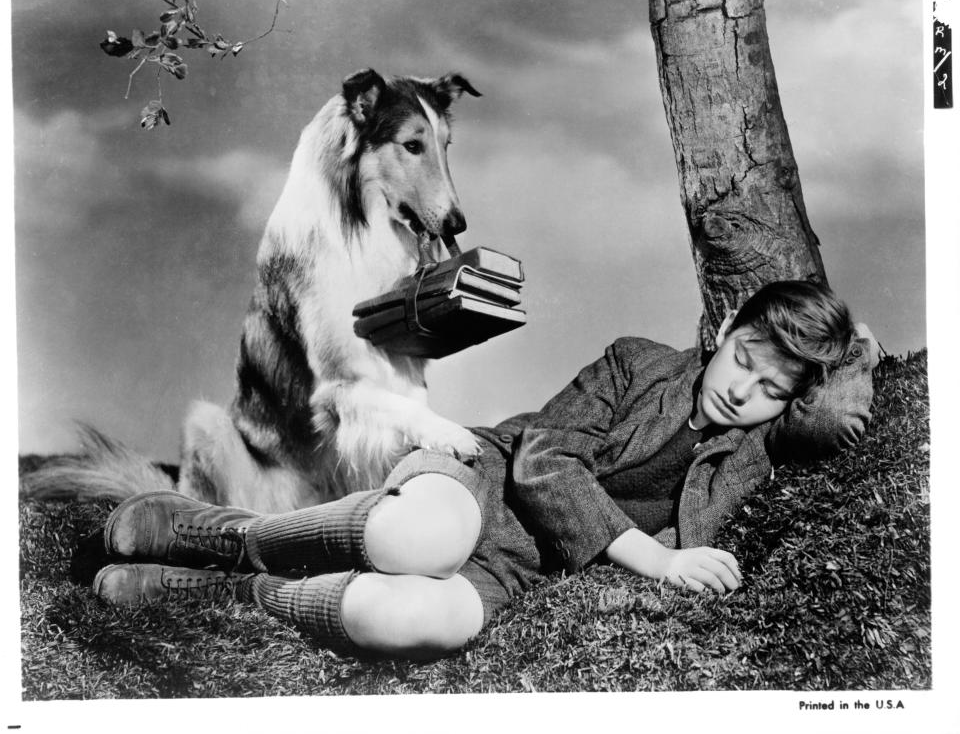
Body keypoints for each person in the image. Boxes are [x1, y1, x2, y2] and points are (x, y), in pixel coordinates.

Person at [93, 280, 878, 659]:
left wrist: (855, 352)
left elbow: (839, 407)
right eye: (743, 359)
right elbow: (545, 461)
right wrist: (657, 558)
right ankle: (225, 534)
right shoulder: (637, 361)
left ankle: (216, 588)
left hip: (520, 568)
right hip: (483, 478)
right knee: (419, 540)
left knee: (406, 620)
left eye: (773, 388)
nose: (744, 389)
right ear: (727, 325)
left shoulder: (757, 452)